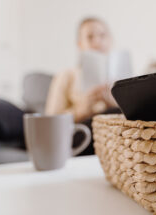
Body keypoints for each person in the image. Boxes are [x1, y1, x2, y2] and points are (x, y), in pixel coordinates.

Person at [45, 17, 120, 155]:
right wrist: (80, 111)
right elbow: (50, 120)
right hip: (79, 132)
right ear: (80, 44)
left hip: (114, 134)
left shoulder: (120, 79)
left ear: (110, 40)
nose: (97, 42)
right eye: (90, 37)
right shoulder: (67, 75)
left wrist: (112, 104)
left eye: (102, 36)